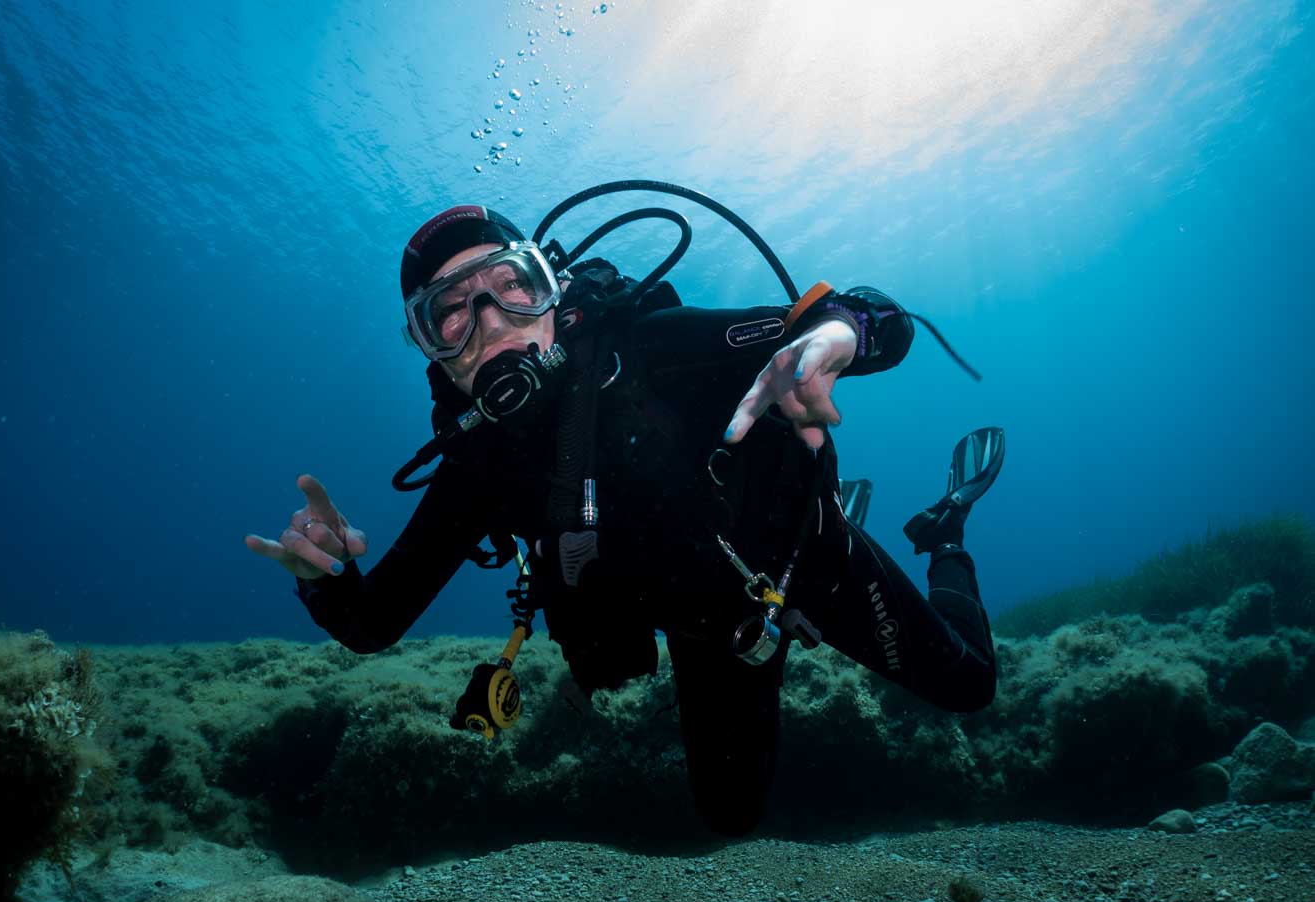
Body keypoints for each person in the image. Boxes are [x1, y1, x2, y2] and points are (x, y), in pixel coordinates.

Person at [245, 200, 1003, 836]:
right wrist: (325, 579)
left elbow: (877, 321)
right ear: (432, 352)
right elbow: (374, 624)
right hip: (721, 635)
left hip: (812, 560)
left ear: (552, 288)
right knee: (730, 820)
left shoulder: (653, 351)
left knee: (970, 687)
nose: (492, 320)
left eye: (512, 286)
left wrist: (839, 332)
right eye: (450, 312)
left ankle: (942, 534)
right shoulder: (481, 463)